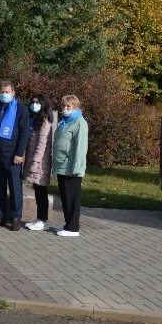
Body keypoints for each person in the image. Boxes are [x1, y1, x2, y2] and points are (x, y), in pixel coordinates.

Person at [0, 80, 31, 231]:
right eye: (2, 92)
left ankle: (16, 217)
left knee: (15, 187)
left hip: (12, 155)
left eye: (7, 92)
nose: (4, 94)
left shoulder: (20, 109)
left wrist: (19, 153)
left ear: (13, 93)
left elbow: (25, 132)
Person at [53, 95, 89, 237]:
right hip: (62, 166)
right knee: (65, 197)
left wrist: (78, 168)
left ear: (76, 107)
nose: (65, 109)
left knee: (72, 198)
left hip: (71, 168)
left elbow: (80, 147)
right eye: (64, 106)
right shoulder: (65, 122)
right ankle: (68, 224)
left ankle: (73, 228)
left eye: (69, 106)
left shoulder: (79, 122)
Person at [23, 94, 55, 231]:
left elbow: (42, 144)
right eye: (32, 102)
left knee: (41, 191)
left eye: (37, 102)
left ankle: (43, 219)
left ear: (43, 104)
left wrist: (35, 162)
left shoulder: (45, 121)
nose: (34, 104)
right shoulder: (34, 118)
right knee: (37, 190)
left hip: (41, 162)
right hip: (34, 160)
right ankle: (39, 218)